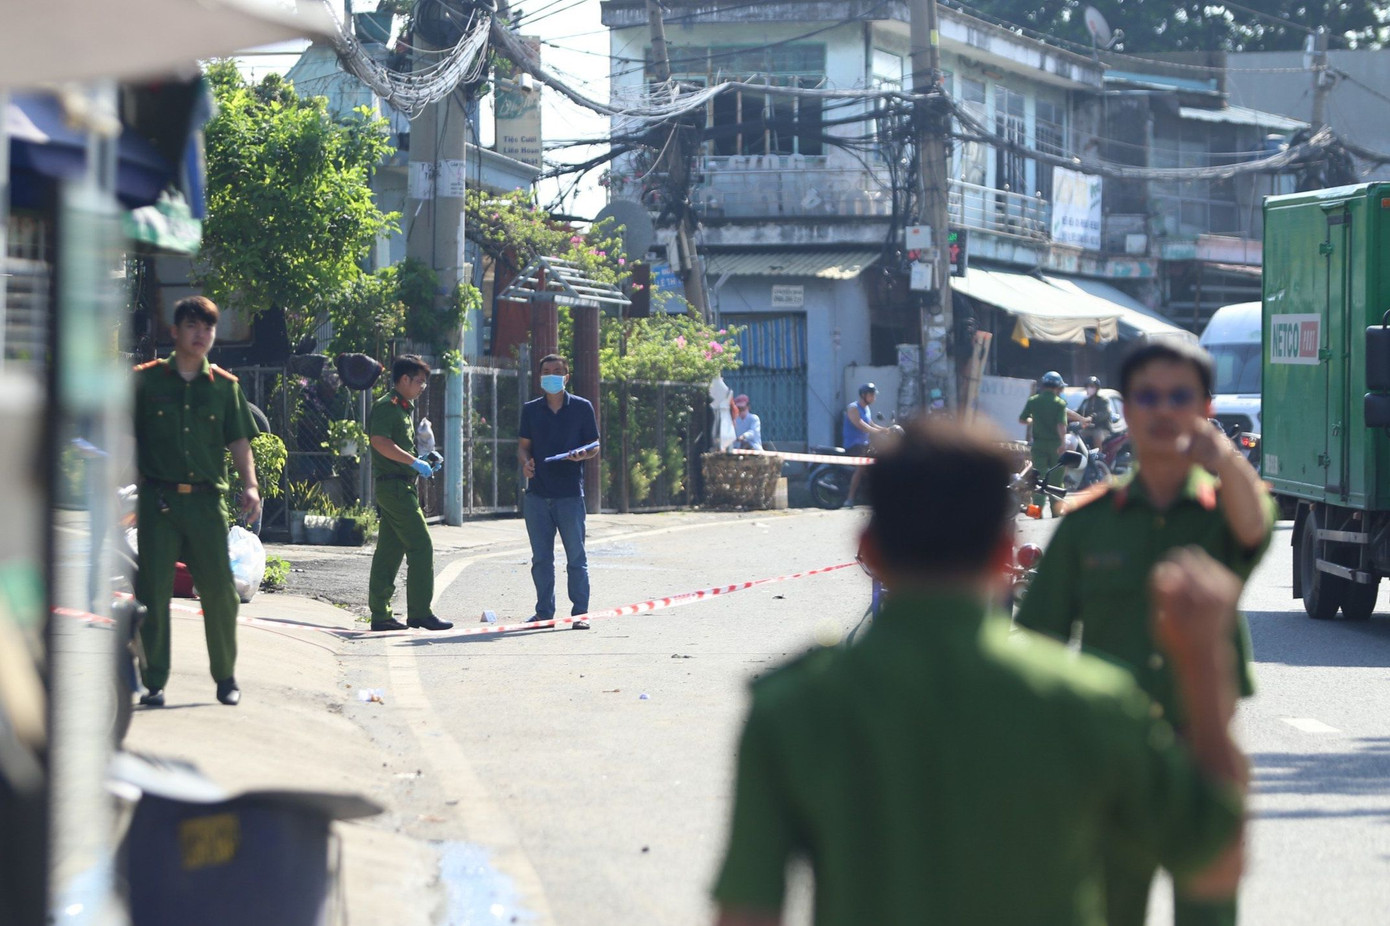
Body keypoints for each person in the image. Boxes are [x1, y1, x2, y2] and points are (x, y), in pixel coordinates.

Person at [712, 418, 1248, 926]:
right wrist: (1203, 664)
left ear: (867, 550)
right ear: (1005, 554)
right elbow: (1215, 863)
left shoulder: (794, 711)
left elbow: (746, 914)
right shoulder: (1090, 704)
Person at [1015, 340, 1275, 926]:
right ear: (1126, 409)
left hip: (1202, 753)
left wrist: (1226, 458)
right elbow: (1039, 648)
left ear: (1204, 407)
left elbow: (1257, 530)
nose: (1163, 410)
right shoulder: (1088, 524)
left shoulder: (1222, 512)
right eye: (1147, 396)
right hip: (1109, 763)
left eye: (1180, 396)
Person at [133, 296, 261, 707]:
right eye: (192, 326)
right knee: (153, 591)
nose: (201, 334)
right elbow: (125, 436)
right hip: (159, 502)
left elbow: (239, 441)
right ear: (175, 332)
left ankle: (225, 677)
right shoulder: (147, 382)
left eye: (207, 328)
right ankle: (153, 680)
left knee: (221, 592)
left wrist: (251, 485)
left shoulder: (225, 387)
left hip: (207, 505)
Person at [366, 355, 452, 632]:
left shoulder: (403, 408)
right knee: (421, 545)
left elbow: (398, 446)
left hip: (401, 484)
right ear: (404, 379)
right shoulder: (387, 407)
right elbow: (380, 441)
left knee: (389, 552)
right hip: (394, 487)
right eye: (419, 382)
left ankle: (380, 614)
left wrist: (422, 457)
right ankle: (419, 612)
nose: (421, 388)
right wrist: (414, 462)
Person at [517, 354, 600, 630]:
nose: (551, 375)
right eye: (546, 371)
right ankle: (544, 614)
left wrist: (583, 455)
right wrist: (526, 463)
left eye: (557, 371)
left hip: (569, 495)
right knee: (541, 559)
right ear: (540, 377)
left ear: (566, 376)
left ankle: (580, 613)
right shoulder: (530, 410)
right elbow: (523, 446)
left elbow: (595, 445)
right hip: (537, 494)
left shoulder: (581, 407)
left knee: (576, 557)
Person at [1018, 370, 1088, 517]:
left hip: (1038, 446)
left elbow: (1023, 420)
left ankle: (1036, 511)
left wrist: (1034, 420)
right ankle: (1056, 510)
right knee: (1056, 478)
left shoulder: (1034, 401)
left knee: (1038, 479)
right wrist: (1063, 443)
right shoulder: (1059, 403)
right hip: (1056, 446)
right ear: (1058, 387)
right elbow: (1061, 426)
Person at [842, 382, 888, 508]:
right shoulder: (853, 408)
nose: (874, 398)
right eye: (871, 395)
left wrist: (885, 430)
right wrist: (878, 432)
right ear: (863, 395)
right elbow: (860, 424)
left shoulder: (866, 408)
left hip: (864, 444)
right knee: (861, 468)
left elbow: (871, 423)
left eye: (874, 395)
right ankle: (849, 499)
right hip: (853, 444)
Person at [1078, 375, 1114, 451]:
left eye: (1092, 386)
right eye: (1088, 386)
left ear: (1097, 388)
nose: (1089, 388)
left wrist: (1092, 417)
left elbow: (1105, 413)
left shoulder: (1103, 400)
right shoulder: (1086, 401)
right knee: (1078, 434)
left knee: (1097, 435)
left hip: (1102, 428)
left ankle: (1099, 456)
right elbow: (1079, 412)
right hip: (1088, 428)